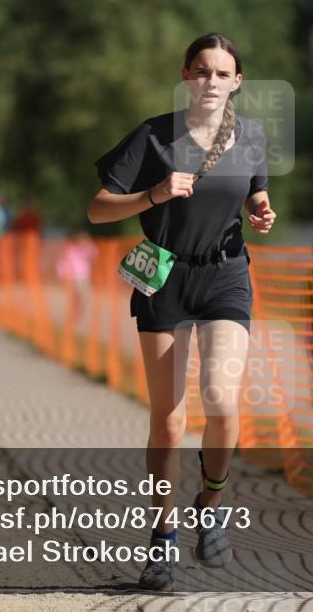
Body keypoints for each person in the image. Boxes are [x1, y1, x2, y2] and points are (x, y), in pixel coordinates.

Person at [88, 32, 275, 591]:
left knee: (220, 399)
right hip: (163, 274)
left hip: (225, 274)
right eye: (201, 71)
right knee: (168, 421)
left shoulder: (253, 137)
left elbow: (256, 195)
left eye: (221, 73)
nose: (210, 82)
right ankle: (163, 540)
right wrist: (153, 195)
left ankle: (211, 505)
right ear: (185, 75)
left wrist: (263, 211)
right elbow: (97, 209)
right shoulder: (152, 136)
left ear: (237, 81)